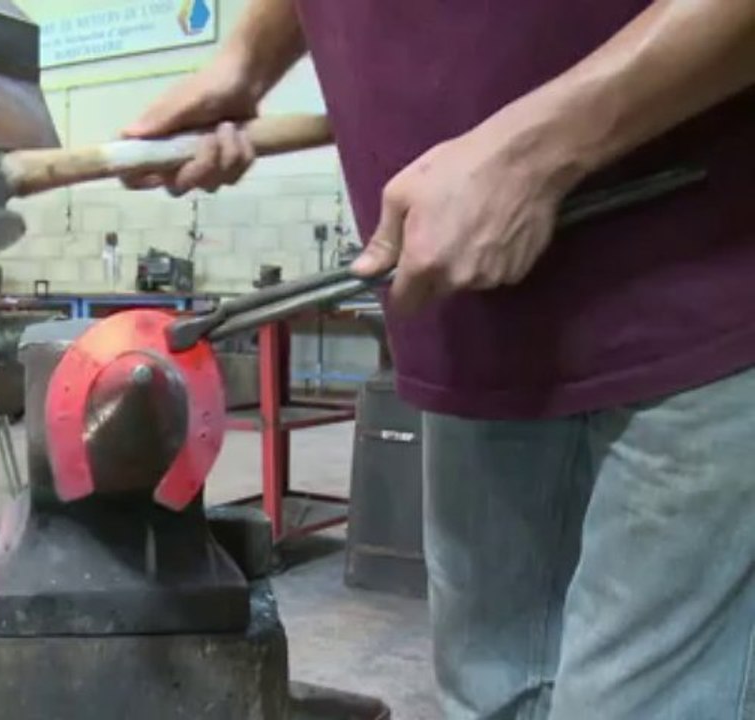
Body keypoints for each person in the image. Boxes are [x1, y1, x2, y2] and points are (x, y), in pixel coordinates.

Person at [125, 2, 755, 718]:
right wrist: (245, 58)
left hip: (699, 295)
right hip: (468, 332)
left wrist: (538, 149)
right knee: (484, 695)